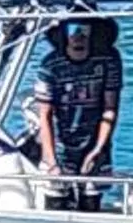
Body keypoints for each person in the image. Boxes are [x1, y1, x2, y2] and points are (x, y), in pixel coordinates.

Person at [28, 16, 120, 209]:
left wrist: (97, 149)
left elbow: (110, 108)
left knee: (91, 201)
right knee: (56, 201)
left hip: (95, 141)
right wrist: (52, 161)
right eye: (73, 30)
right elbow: (44, 115)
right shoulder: (50, 65)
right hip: (59, 143)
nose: (79, 37)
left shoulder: (108, 60)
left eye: (85, 31)